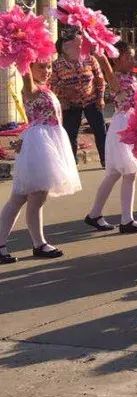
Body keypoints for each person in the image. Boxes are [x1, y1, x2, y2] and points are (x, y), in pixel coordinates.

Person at [0, 60, 82, 262]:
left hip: (45, 143)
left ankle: (20, 244)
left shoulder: (45, 88)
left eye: (49, 67)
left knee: (22, 197)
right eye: (41, 67)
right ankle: (38, 244)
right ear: (30, 69)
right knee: (35, 196)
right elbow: (25, 72)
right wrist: (24, 51)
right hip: (40, 145)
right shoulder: (30, 88)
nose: (47, 71)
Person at [84, 43, 137, 234]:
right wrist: (101, 52)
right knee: (129, 172)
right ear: (116, 58)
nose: (132, 60)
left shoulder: (131, 77)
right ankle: (126, 220)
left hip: (132, 124)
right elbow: (107, 71)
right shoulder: (115, 78)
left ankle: (94, 214)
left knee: (115, 173)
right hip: (123, 125)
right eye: (128, 57)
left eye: (133, 56)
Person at [50, 29, 107, 167]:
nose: (81, 48)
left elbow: (100, 79)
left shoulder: (90, 59)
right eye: (77, 46)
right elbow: (51, 84)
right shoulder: (57, 65)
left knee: (100, 130)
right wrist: (64, 92)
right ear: (65, 49)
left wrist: (101, 97)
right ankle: (72, 163)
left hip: (91, 100)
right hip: (70, 104)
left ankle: (106, 159)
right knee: (70, 133)